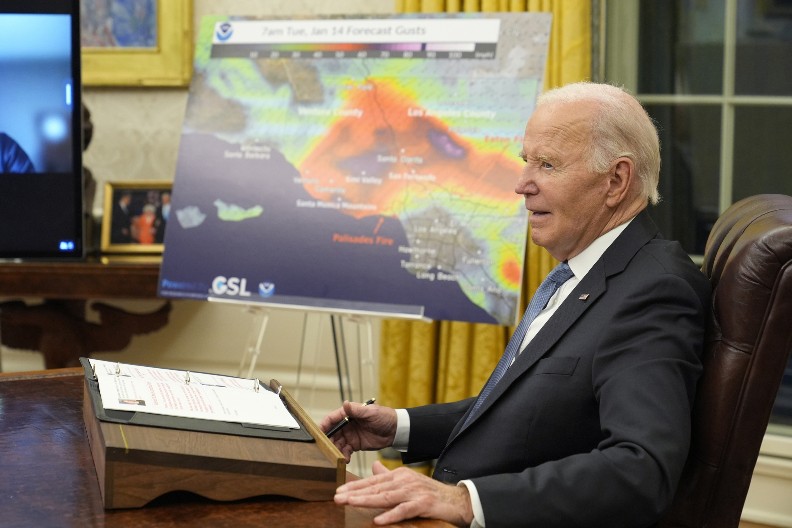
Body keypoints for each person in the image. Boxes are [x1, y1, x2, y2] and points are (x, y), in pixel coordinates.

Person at [320, 82, 711, 527]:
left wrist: (465, 501)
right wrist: (399, 427)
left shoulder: (653, 291)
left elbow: (641, 470)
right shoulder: (582, 271)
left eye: (547, 164)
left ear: (616, 180)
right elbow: (534, 413)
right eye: (527, 161)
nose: (522, 185)